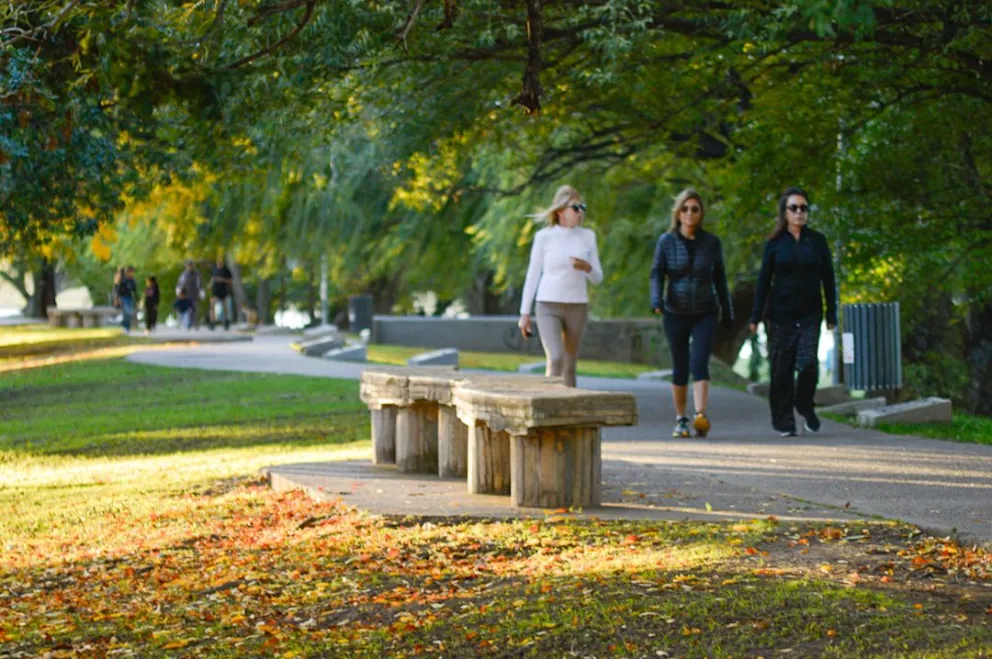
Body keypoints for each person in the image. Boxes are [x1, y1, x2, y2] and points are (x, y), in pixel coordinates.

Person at [749, 187, 837, 437]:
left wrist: (831, 315)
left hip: (810, 314)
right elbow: (764, 281)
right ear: (784, 212)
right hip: (779, 315)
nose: (799, 212)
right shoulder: (775, 244)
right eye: (794, 208)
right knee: (781, 369)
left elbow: (828, 280)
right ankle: (783, 419)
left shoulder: (817, 241)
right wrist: (755, 316)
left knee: (808, 363)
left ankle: (804, 403)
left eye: (803, 208)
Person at [650, 189, 733, 438]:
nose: (689, 213)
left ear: (700, 213)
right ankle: (680, 419)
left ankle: (700, 415)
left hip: (705, 311)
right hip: (675, 310)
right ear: (678, 212)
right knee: (680, 365)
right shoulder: (666, 242)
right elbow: (657, 272)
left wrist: (727, 309)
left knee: (699, 363)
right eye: (685, 209)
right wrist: (656, 300)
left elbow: (720, 278)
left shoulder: (711, 243)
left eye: (694, 209)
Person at [518, 184, 603, 388]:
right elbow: (533, 274)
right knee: (555, 358)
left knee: (569, 365)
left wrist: (586, 267)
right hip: (548, 305)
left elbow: (598, 278)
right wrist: (524, 313)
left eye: (582, 207)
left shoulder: (588, 236)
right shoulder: (544, 237)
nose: (580, 212)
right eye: (575, 207)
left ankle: (568, 413)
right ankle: (547, 409)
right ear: (560, 211)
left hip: (577, 306)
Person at [208, 256, 234, 331]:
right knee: (212, 306)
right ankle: (212, 323)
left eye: (220, 262)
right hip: (215, 290)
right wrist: (210, 285)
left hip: (223, 291)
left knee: (224, 307)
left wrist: (222, 280)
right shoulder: (214, 270)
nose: (219, 263)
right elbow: (213, 278)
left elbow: (230, 281)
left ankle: (226, 321)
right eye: (218, 262)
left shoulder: (226, 270)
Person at [176, 260, 203, 329]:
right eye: (188, 265)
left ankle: (195, 323)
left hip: (194, 294)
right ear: (186, 266)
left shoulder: (197, 274)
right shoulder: (183, 274)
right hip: (185, 295)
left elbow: (199, 284)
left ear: (193, 266)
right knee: (185, 310)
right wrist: (178, 290)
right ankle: (186, 323)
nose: (190, 267)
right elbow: (180, 284)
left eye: (191, 265)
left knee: (194, 309)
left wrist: (201, 291)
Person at [116, 265, 138, 333]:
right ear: (128, 272)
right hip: (123, 298)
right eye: (131, 272)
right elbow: (118, 290)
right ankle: (125, 327)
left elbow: (135, 291)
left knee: (129, 313)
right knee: (126, 312)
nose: (132, 273)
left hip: (130, 298)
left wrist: (137, 300)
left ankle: (126, 326)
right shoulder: (123, 280)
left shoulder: (132, 280)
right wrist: (117, 299)